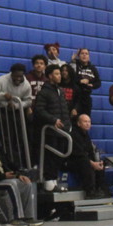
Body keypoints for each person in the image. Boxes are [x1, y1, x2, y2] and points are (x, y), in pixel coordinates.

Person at [34, 64, 71, 192]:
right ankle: (49, 182)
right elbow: (39, 110)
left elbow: (64, 109)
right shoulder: (44, 92)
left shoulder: (60, 91)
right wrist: (53, 120)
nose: (59, 76)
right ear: (50, 76)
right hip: (50, 131)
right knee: (50, 157)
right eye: (56, 74)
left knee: (59, 157)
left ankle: (54, 181)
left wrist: (67, 124)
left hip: (62, 131)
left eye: (60, 73)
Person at [67, 114, 108, 199]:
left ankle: (100, 189)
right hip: (73, 161)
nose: (88, 124)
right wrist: (92, 163)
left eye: (89, 122)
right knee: (85, 162)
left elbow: (90, 152)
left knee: (100, 162)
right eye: (85, 121)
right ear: (79, 123)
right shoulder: (74, 135)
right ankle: (90, 192)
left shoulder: (86, 136)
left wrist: (96, 162)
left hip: (84, 159)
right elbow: (78, 153)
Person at [70, 48, 101, 117]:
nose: (84, 55)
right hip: (75, 97)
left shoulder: (92, 68)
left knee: (86, 118)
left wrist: (92, 85)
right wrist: (80, 81)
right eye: (82, 53)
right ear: (79, 56)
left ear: (89, 57)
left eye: (86, 54)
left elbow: (98, 82)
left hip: (86, 97)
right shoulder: (75, 65)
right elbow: (71, 77)